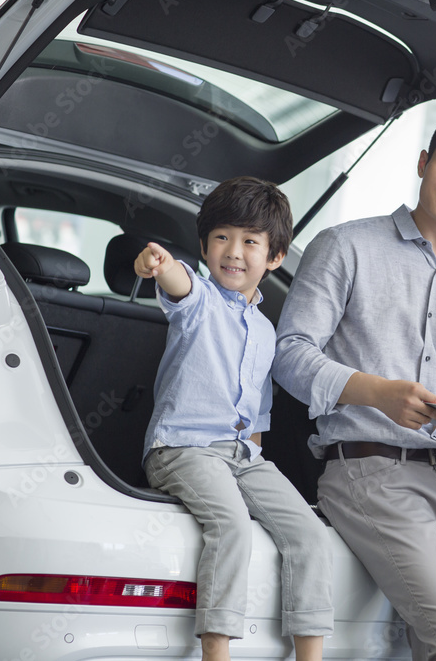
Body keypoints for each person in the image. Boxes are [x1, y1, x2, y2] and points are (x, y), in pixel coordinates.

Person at [273, 102, 436, 660]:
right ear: (422, 162)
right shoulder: (345, 246)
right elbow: (287, 355)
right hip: (370, 474)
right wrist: (375, 392)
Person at [135, 177, 333, 661]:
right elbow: (177, 280)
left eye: (250, 242)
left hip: (243, 455)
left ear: (275, 257)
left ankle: (310, 653)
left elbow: (258, 410)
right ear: (204, 247)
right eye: (222, 238)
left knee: (309, 533)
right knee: (232, 525)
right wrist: (158, 265)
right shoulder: (198, 299)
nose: (234, 252)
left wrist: (256, 467)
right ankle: (216, 652)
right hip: (182, 447)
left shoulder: (266, 330)